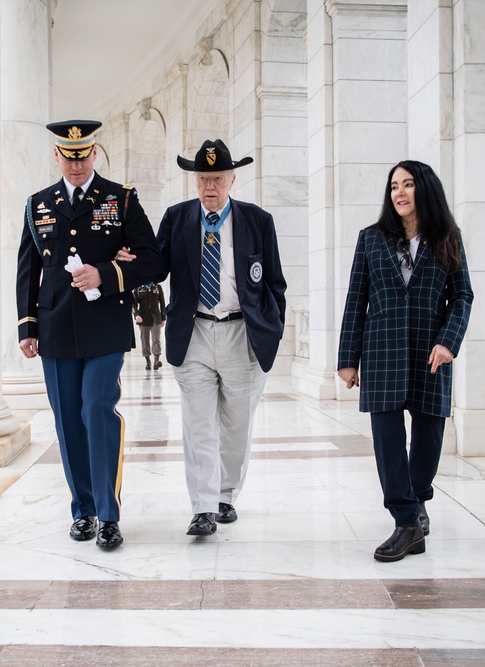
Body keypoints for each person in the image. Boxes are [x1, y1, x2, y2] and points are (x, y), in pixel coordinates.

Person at [16, 119, 161, 550]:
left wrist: (109, 272)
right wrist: (27, 326)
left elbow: (153, 261)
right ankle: (83, 511)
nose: (76, 164)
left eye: (84, 156)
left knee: (97, 410)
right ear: (57, 156)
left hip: (105, 327)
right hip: (56, 329)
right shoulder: (37, 205)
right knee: (67, 421)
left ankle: (109, 514)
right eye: (68, 156)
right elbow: (28, 271)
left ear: (94, 154)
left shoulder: (121, 199)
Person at [146, 139, 286, 537]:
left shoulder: (258, 221)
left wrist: (271, 330)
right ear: (195, 181)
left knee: (236, 426)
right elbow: (156, 268)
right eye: (203, 178)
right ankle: (204, 507)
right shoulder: (176, 218)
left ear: (232, 179)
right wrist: (131, 255)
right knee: (199, 425)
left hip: (243, 334)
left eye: (218, 178)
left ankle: (226, 494)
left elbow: (275, 283)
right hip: (194, 334)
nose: (210, 186)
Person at [337, 159, 473, 563]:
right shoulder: (370, 239)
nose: (399, 192)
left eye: (408, 184)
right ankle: (405, 520)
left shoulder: (448, 237)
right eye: (394, 185)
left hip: (431, 351)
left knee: (429, 433)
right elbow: (355, 299)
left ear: (424, 189)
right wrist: (348, 357)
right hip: (381, 350)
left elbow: (462, 295)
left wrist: (449, 342)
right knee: (388, 438)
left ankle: (417, 500)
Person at [132, 281, 166, 370]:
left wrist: (163, 318)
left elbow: (162, 303)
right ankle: (147, 361)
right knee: (144, 340)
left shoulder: (157, 287)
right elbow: (133, 304)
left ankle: (156, 361)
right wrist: (136, 315)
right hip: (143, 317)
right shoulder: (138, 288)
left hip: (156, 317)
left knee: (156, 339)